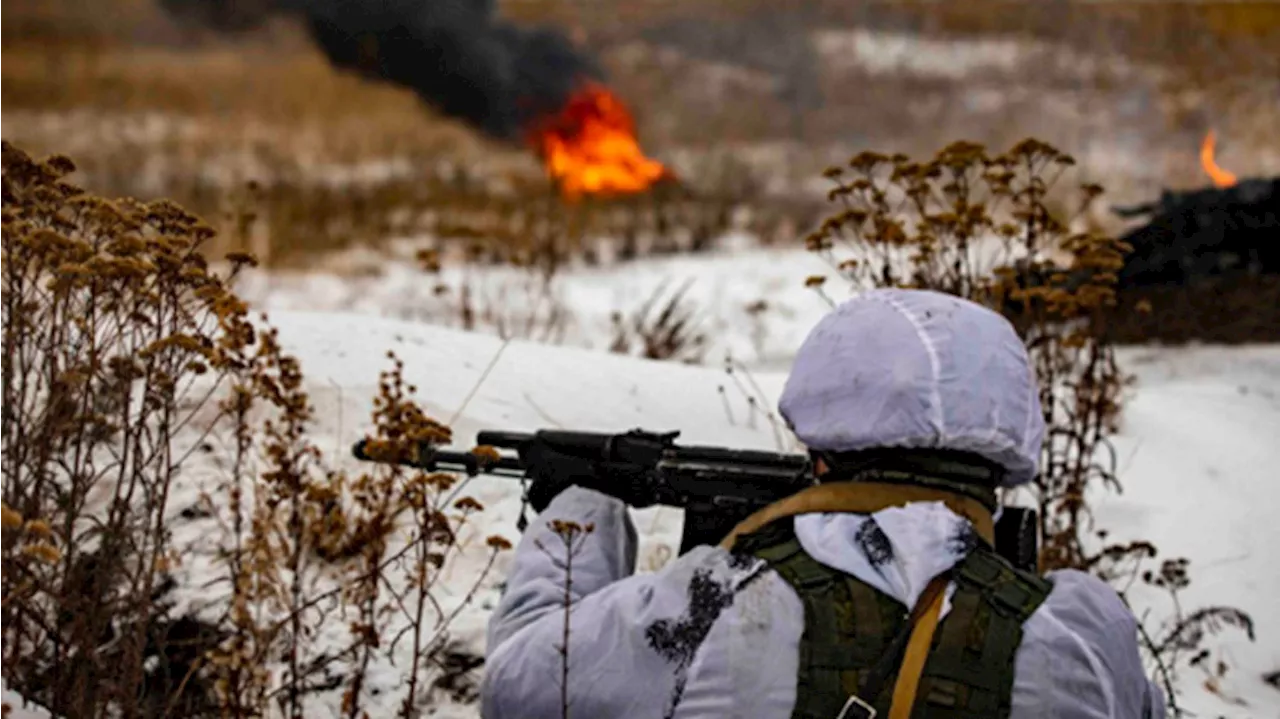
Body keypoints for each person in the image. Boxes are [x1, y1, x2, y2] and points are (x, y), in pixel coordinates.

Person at [479, 288, 1165, 719]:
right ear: (1002, 459)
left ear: (820, 448)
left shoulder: (706, 603)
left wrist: (584, 505)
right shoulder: (1087, 638)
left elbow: (520, 687)